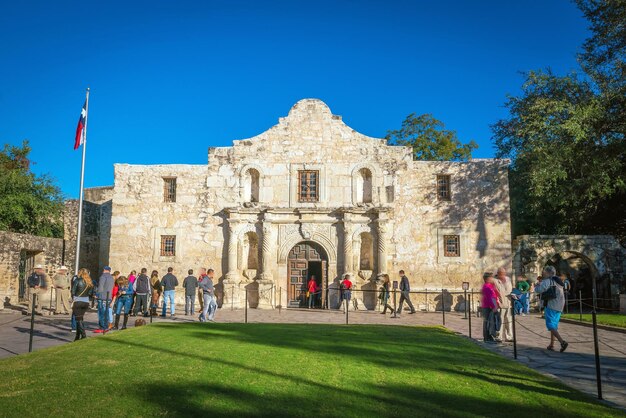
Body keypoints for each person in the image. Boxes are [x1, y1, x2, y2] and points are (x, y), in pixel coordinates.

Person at [535, 266, 568, 352]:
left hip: (551, 305)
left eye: (544, 272)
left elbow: (538, 290)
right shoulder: (558, 281)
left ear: (548, 273)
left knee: (550, 325)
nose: (543, 273)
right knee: (554, 325)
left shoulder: (547, 281)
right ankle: (552, 344)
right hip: (560, 305)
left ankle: (562, 342)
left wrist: (537, 285)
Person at [71, 268, 94, 341]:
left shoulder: (77, 280)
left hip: (78, 301)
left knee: (78, 319)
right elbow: (90, 293)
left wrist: (73, 299)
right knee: (80, 318)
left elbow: (73, 291)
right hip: (86, 301)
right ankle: (77, 336)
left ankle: (83, 335)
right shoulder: (89, 282)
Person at [494, 267, 513, 342]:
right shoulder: (495, 281)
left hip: (509, 303)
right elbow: (493, 293)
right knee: (500, 321)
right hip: (500, 303)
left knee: (509, 320)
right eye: (501, 274)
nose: (503, 275)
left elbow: (511, 290)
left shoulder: (508, 279)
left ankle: (509, 337)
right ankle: (499, 336)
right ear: (498, 274)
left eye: (504, 273)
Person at [95, 266, 114, 333]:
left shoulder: (103, 277)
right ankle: (106, 326)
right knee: (106, 313)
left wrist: (97, 295)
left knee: (101, 312)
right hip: (108, 297)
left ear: (105, 270)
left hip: (102, 297)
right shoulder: (111, 278)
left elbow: (100, 287)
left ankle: (102, 327)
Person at [481, 272, 499, 343]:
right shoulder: (487, 287)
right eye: (491, 277)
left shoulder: (490, 286)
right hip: (488, 306)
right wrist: (494, 306)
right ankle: (487, 337)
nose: (493, 279)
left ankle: (490, 336)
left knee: (490, 321)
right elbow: (490, 298)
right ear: (488, 279)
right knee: (488, 322)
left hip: (490, 306)